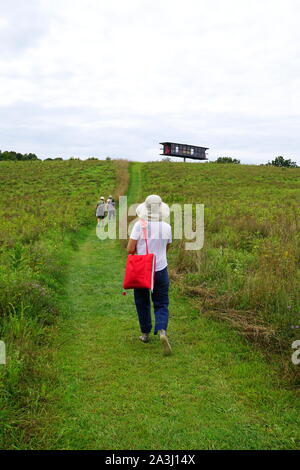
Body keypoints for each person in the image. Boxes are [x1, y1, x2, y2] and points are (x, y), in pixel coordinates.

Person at [127, 194, 172, 355]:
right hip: (160, 269)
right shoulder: (167, 227)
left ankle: (145, 334)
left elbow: (130, 249)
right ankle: (162, 331)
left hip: (142, 270)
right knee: (161, 302)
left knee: (142, 301)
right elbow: (167, 247)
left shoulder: (140, 225)